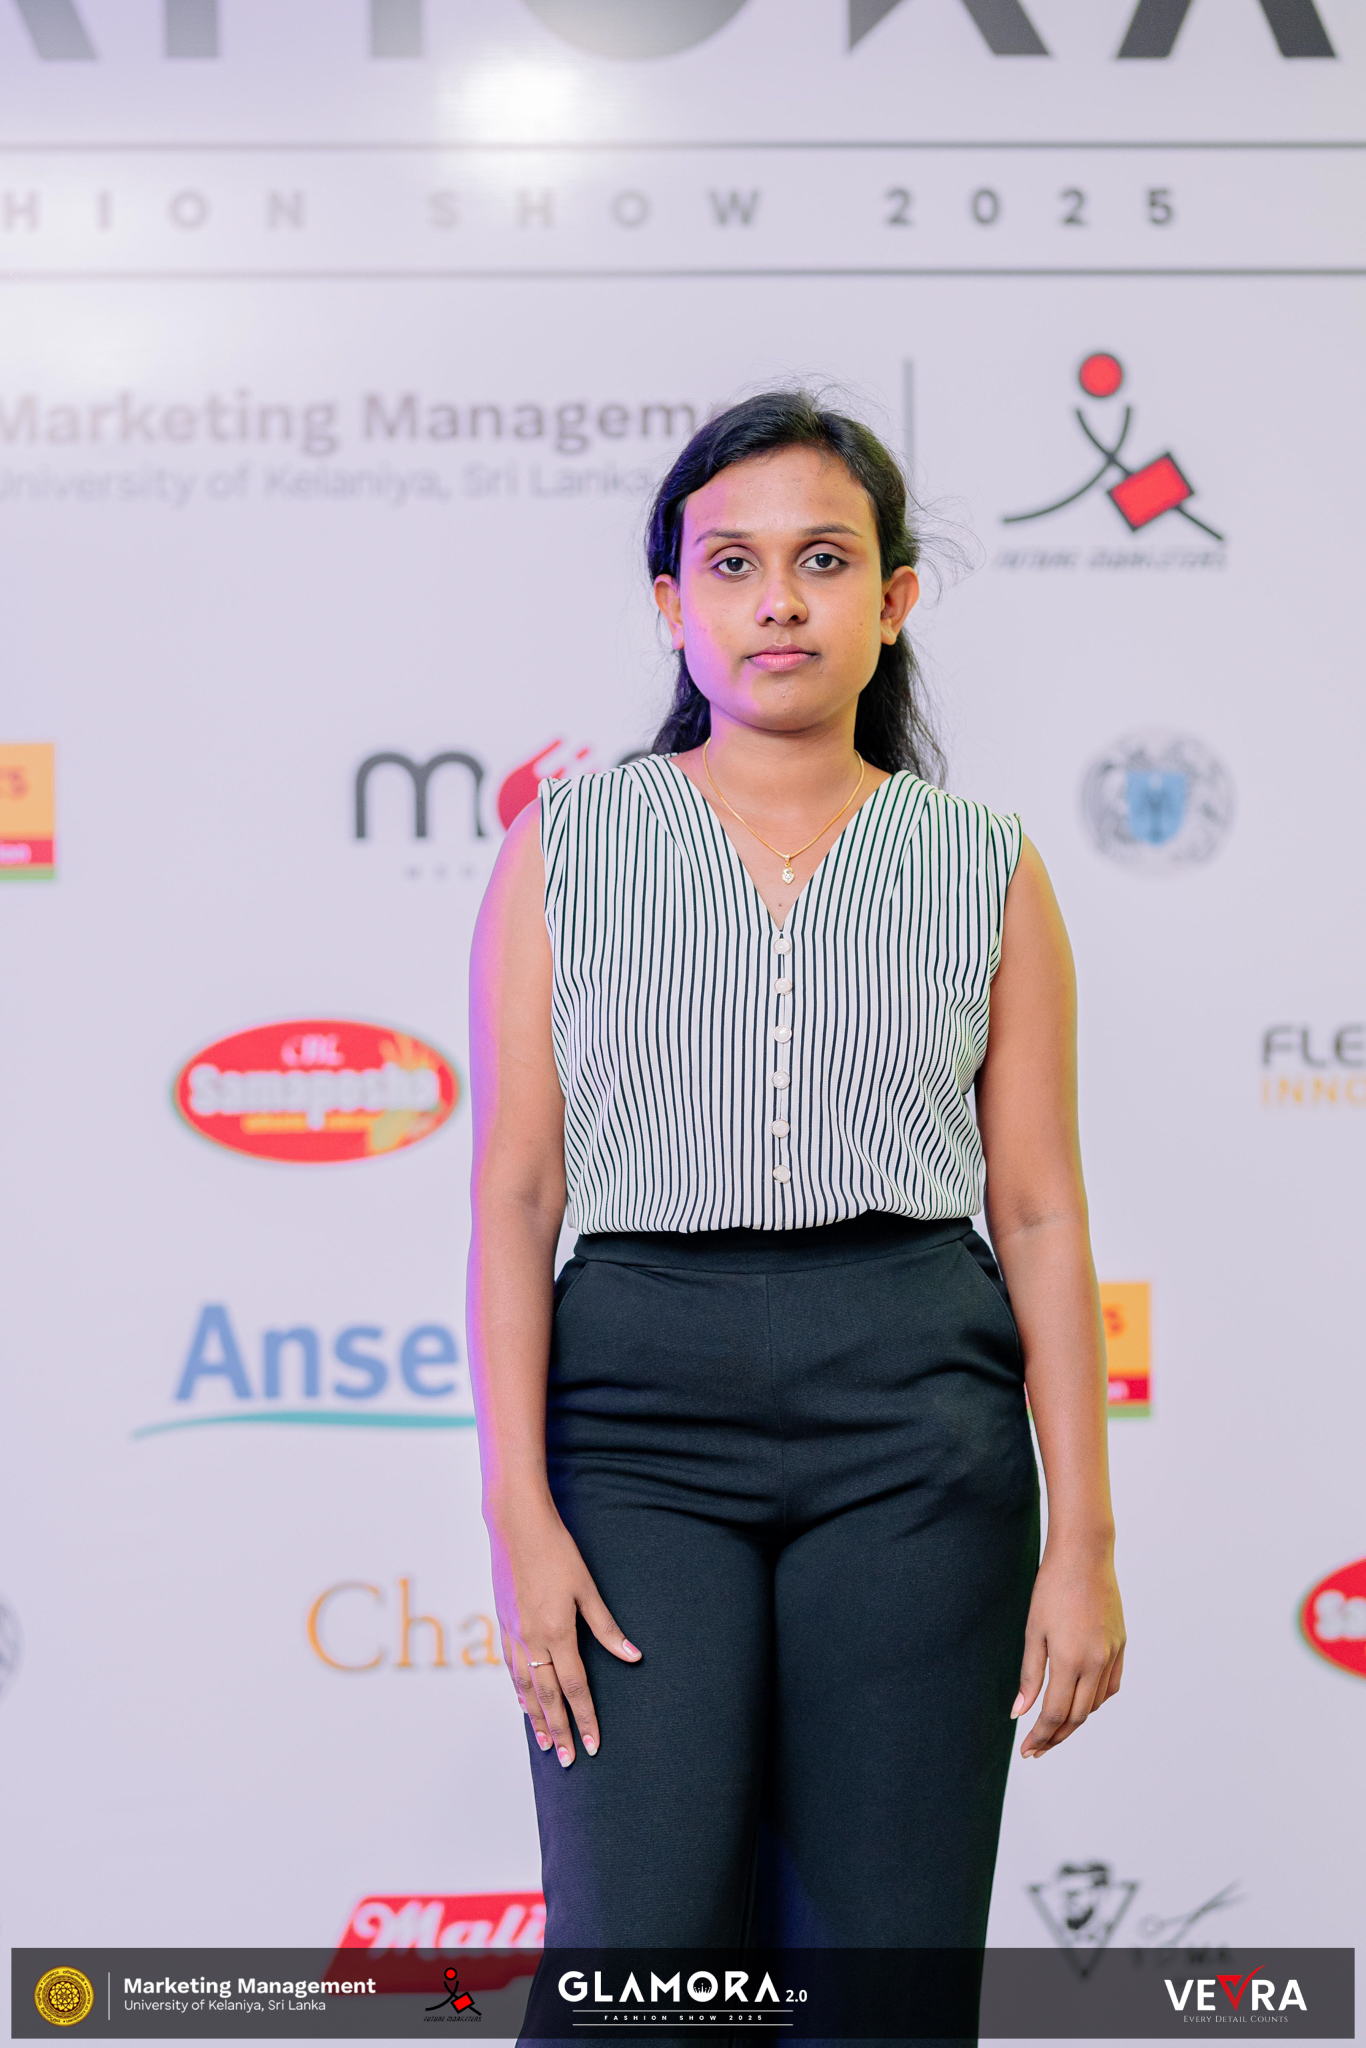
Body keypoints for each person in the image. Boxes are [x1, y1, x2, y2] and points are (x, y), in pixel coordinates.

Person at [466, 391, 1125, 1966]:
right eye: (732, 563)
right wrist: (517, 1517)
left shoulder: (985, 861)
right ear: (669, 604)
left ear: (890, 602)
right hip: (633, 1435)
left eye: (822, 561)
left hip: (918, 1434)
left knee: (879, 1976)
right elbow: (515, 1199)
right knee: (636, 1964)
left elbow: (1037, 1210)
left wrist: (1085, 1542)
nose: (778, 601)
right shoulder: (563, 848)